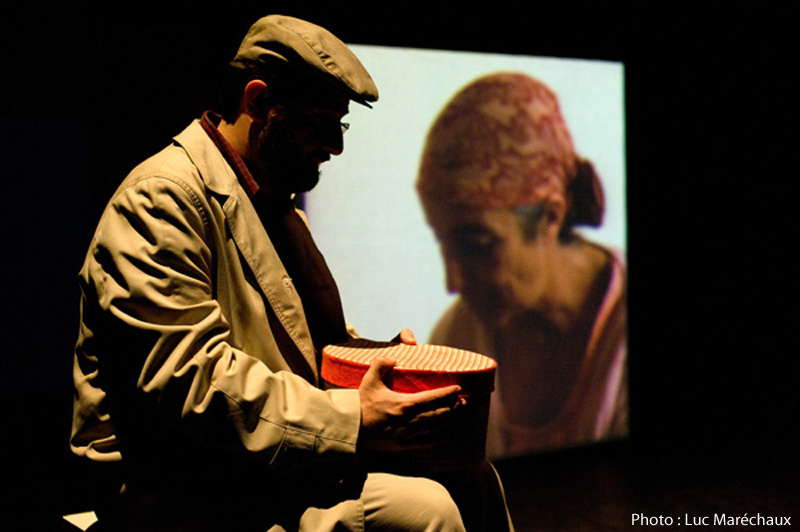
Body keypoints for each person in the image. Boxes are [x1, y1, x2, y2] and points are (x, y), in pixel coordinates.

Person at [71, 15, 512, 532]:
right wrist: (355, 417)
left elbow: (310, 345)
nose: (335, 146)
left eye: (340, 125)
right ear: (258, 101)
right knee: (425, 511)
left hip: (256, 465)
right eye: (321, 122)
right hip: (175, 482)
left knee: (473, 477)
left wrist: (381, 364)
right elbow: (192, 382)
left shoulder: (273, 204)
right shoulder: (161, 200)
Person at [416, 72, 627, 458]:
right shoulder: (460, 335)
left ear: (551, 216)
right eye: (442, 242)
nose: (453, 282)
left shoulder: (622, 338)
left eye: (477, 244)